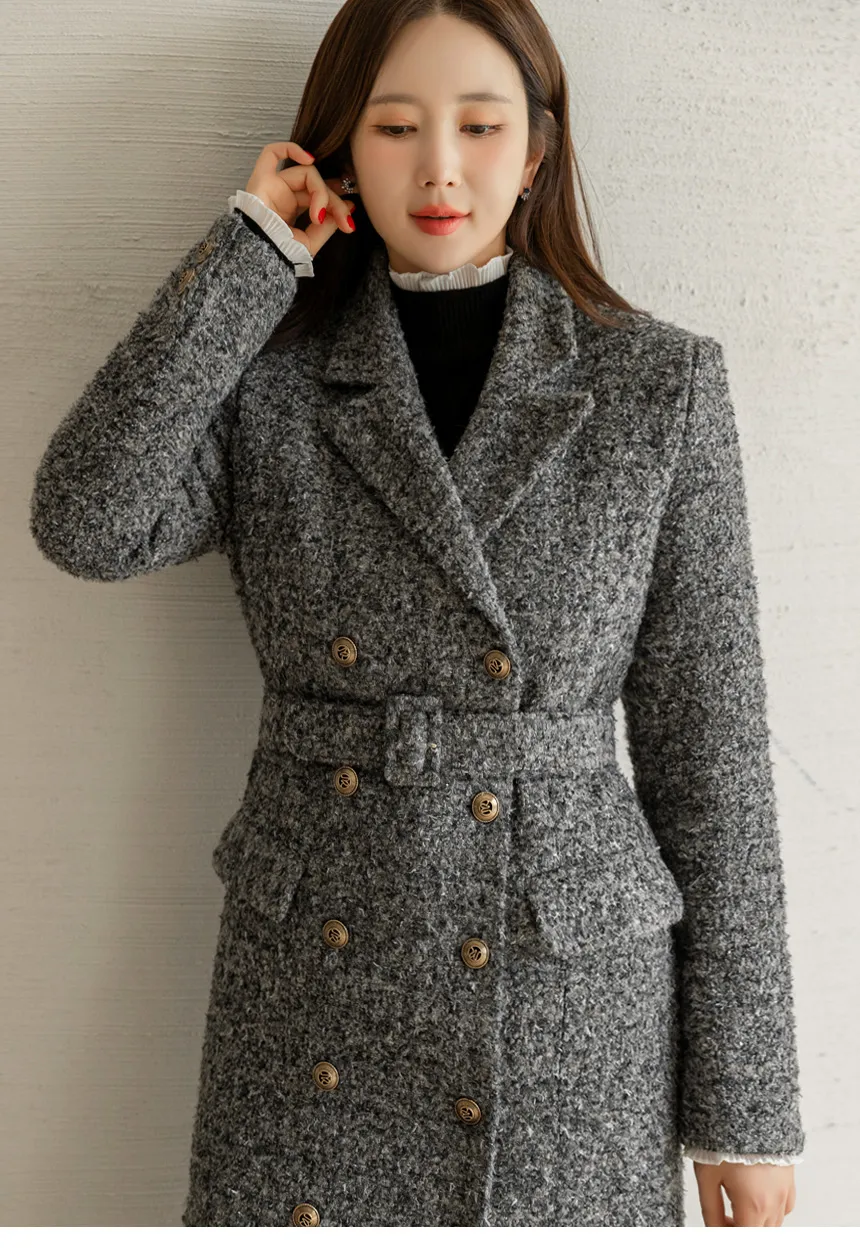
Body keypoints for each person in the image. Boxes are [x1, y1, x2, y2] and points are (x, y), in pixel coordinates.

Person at [29, 0, 805, 1228]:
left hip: (564, 1001)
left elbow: (709, 759)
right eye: (394, 127)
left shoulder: (653, 385)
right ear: (339, 151)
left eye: (479, 126)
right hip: (315, 985)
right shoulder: (271, 380)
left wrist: (742, 1109)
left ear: (535, 151)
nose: (439, 169)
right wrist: (250, 253)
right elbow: (86, 522)